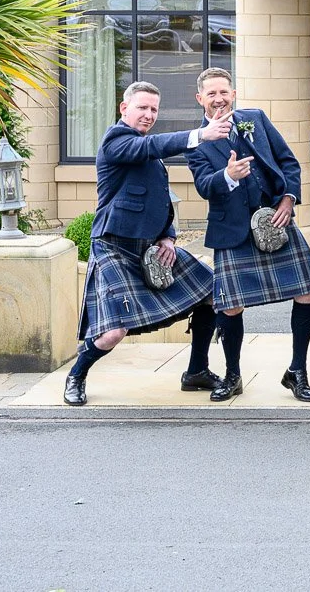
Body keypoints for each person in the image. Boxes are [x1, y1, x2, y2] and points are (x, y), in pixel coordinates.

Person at [64, 81, 229, 406]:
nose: (149, 114)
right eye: (142, 107)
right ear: (124, 109)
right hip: (113, 245)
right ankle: (77, 375)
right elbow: (151, 146)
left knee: (212, 293)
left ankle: (196, 371)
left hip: (151, 247)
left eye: (154, 109)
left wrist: (168, 236)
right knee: (114, 331)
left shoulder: (150, 154)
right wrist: (199, 135)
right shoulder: (116, 140)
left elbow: (161, 199)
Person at [186, 68, 310, 402]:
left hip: (276, 220)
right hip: (233, 230)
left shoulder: (256, 119)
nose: (219, 99)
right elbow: (205, 186)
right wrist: (227, 175)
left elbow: (289, 161)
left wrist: (289, 199)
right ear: (200, 98)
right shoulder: (197, 142)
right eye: (212, 94)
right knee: (231, 306)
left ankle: (297, 372)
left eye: (224, 92)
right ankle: (233, 375)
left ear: (233, 93)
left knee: (306, 292)